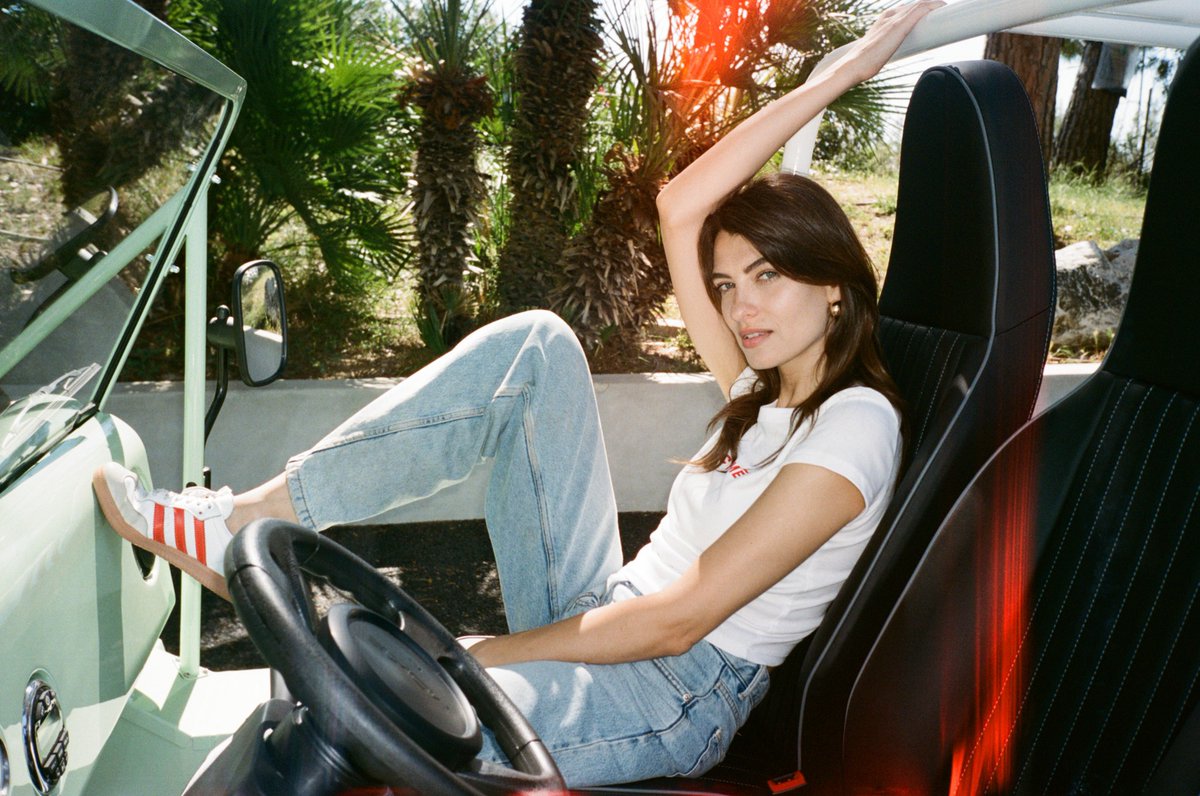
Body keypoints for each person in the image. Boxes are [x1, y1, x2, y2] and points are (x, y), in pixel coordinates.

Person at [93, 1, 938, 786]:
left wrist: (478, 655)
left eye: (767, 275)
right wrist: (844, 71)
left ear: (835, 285)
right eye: (725, 285)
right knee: (536, 344)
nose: (739, 308)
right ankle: (243, 517)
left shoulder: (855, 424)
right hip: (612, 607)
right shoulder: (763, 386)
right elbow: (681, 205)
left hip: (676, 686)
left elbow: (681, 623)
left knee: (411, 710)